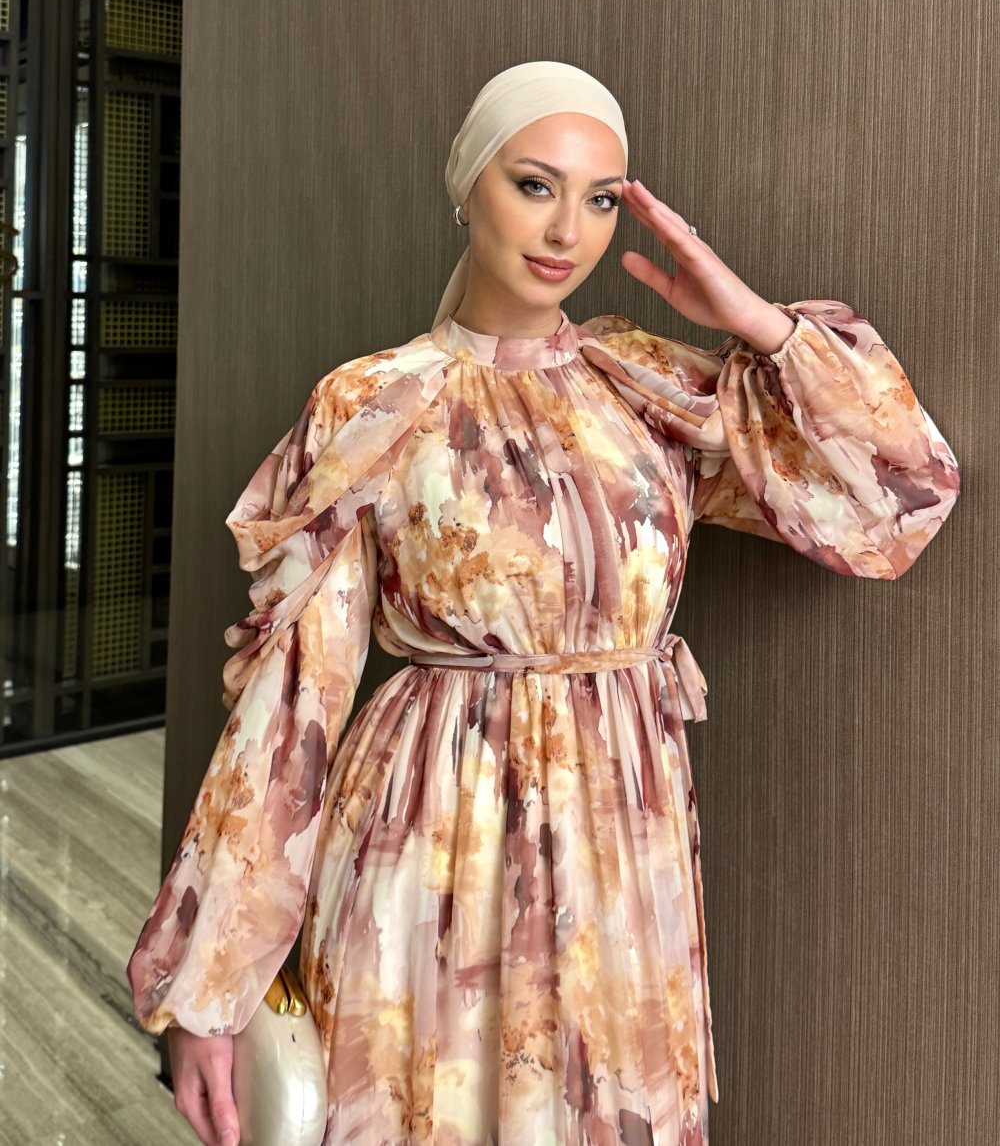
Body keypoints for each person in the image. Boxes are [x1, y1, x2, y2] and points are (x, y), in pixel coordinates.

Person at [126, 60, 961, 1146]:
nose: (568, 228)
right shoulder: (374, 403)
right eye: (534, 184)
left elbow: (896, 499)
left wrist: (759, 326)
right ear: (467, 186)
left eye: (601, 199)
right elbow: (292, 708)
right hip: (427, 842)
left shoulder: (644, 389)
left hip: (622, 849)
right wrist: (209, 989)